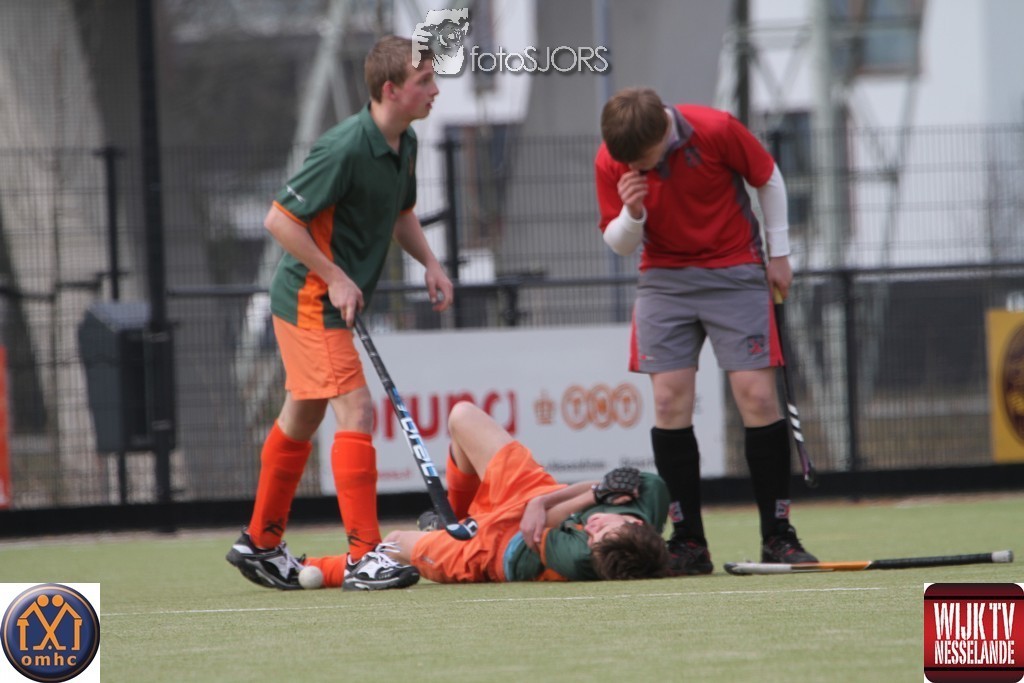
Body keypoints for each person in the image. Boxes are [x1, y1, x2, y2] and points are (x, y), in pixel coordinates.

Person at [226, 35, 453, 592]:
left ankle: (260, 543)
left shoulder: (406, 142)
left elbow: (400, 212)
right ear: (390, 89)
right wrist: (334, 277)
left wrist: (430, 263)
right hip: (310, 300)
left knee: (301, 417)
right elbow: (280, 221)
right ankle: (364, 555)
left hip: (329, 298)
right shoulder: (345, 147)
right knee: (356, 409)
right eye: (424, 81)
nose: (435, 90)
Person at [594, 87, 818, 576]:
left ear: (664, 132)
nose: (636, 168)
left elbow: (768, 177)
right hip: (663, 280)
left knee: (757, 397)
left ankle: (778, 536)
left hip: (735, 269)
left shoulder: (715, 129)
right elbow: (619, 243)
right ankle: (689, 542)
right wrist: (632, 213)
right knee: (669, 401)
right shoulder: (614, 158)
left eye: (644, 159)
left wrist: (779, 254)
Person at [301, 401, 671, 585]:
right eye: (602, 528)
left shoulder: (579, 558)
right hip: (538, 491)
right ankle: (452, 519)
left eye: (592, 537)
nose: (591, 529)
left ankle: (309, 568)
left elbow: (537, 522)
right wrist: (593, 490)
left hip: (498, 547)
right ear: (637, 522)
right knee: (462, 416)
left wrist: (594, 494)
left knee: (394, 544)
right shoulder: (651, 494)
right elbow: (606, 488)